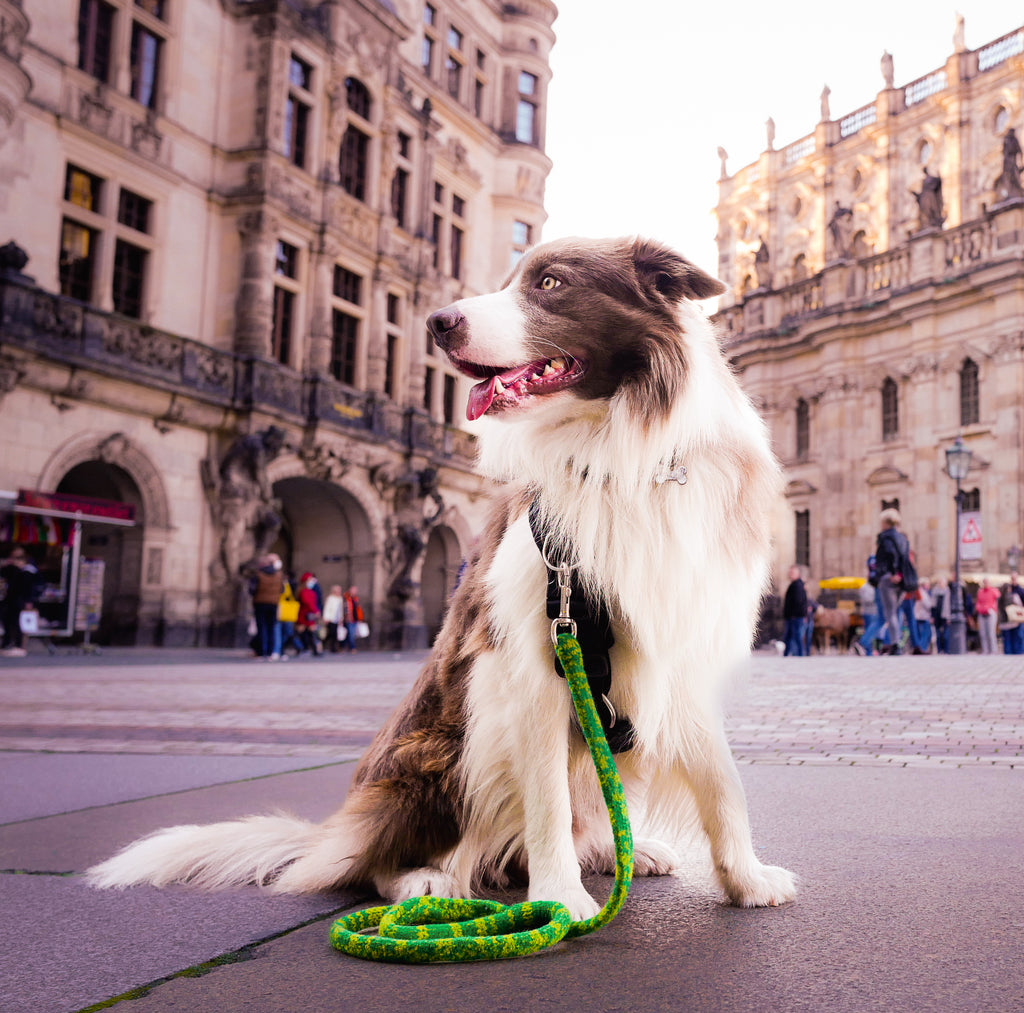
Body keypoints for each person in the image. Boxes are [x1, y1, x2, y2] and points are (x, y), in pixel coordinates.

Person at [874, 508, 910, 655]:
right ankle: (896, 642)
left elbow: (890, 555)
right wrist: (900, 574)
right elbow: (904, 558)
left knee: (891, 613)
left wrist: (892, 573)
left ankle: (895, 644)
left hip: (889, 578)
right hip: (902, 580)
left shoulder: (885, 537)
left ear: (886, 522)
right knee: (896, 612)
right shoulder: (903, 538)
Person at [1, 547, 38, 657]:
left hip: (20, 601)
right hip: (10, 600)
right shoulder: (12, 569)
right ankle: (6, 644)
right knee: (7, 622)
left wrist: (29, 601)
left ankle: (18, 645)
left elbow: (30, 587)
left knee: (18, 623)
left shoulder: (28, 570)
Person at [249, 553, 284, 660]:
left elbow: (252, 589)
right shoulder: (279, 575)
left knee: (261, 628)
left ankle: (261, 652)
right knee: (271, 628)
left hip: (260, 603)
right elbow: (282, 590)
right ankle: (270, 652)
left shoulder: (258, 574)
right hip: (273, 603)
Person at [782, 565, 807, 657]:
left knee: (796, 637)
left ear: (798, 574)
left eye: (792, 572)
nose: (790, 574)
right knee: (789, 637)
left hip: (795, 616)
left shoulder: (798, 585)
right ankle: (786, 654)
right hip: (792, 616)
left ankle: (799, 654)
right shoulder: (795, 584)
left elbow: (798, 601)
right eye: (790, 572)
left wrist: (793, 615)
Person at [296, 572, 323, 655]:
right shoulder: (304, 591)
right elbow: (308, 603)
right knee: (300, 632)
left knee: (312, 633)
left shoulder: (309, 591)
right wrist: (316, 611)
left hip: (310, 615)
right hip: (304, 614)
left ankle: (313, 650)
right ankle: (302, 648)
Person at [997, 581, 1024, 655]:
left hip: (1004, 622)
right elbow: (1020, 606)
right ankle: (1017, 652)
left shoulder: (999, 599)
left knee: (1006, 639)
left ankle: (1008, 653)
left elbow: (998, 611)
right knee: (1016, 638)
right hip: (1013, 620)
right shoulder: (1014, 596)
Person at [974, 577, 999, 655]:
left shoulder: (994, 591)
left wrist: (991, 608)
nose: (985, 584)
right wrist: (978, 608)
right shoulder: (980, 592)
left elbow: (997, 601)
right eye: (984, 582)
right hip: (981, 613)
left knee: (991, 633)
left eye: (987, 582)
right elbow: (978, 602)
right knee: (983, 633)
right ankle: (985, 650)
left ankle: (993, 650)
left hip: (990, 613)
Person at [909, 577, 934, 654]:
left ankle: (921, 648)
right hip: (922, 616)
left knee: (922, 633)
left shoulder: (921, 591)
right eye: (927, 584)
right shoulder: (922, 592)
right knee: (924, 634)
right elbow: (927, 604)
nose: (929, 586)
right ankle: (922, 648)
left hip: (921, 615)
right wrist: (932, 604)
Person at [931, 576, 952, 654]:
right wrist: (932, 616)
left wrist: (949, 617)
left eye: (942, 582)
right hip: (937, 615)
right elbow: (932, 605)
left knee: (946, 634)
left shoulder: (948, 592)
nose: (941, 584)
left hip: (945, 615)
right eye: (939, 582)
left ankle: (946, 650)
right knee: (938, 634)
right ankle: (939, 650)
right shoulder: (935, 591)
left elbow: (949, 606)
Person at [322, 584, 344, 653]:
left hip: (336, 619)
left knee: (334, 634)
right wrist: (326, 617)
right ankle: (327, 646)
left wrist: (341, 618)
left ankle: (333, 648)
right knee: (331, 633)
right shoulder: (330, 598)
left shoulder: (340, 598)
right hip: (330, 618)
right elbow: (327, 608)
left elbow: (340, 610)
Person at [342, 585, 364, 653]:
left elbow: (358, 609)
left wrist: (360, 618)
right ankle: (352, 648)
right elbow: (345, 609)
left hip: (355, 618)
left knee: (350, 634)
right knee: (351, 634)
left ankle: (343, 646)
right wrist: (346, 617)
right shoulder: (347, 598)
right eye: (354, 590)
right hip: (349, 619)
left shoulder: (355, 599)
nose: (355, 591)